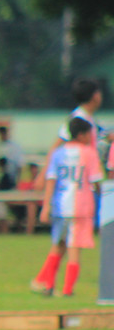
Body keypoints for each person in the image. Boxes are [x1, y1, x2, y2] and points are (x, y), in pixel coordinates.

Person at [30, 118, 103, 297]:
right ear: (82, 135)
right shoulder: (89, 153)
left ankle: (49, 285)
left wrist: (46, 206)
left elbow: (51, 180)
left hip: (60, 206)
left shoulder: (58, 153)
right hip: (81, 206)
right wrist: (102, 194)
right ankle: (68, 289)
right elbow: (95, 180)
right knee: (74, 248)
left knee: (57, 245)